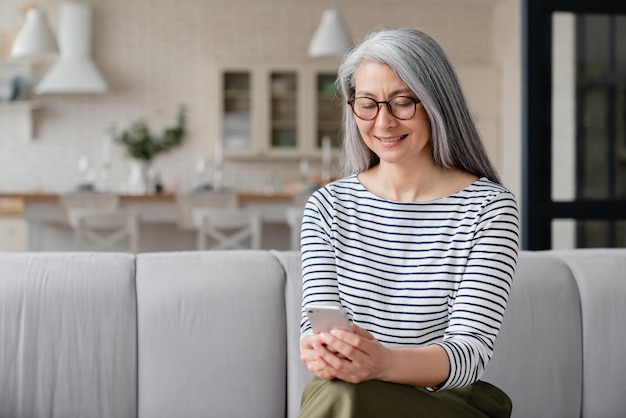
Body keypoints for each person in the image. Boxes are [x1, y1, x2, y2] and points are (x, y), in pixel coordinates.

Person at [298, 27, 520, 418]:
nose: (383, 122)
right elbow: (316, 322)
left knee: (342, 399)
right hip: (345, 393)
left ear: (438, 103)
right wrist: (320, 352)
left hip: (445, 403)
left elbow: (468, 353)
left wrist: (381, 363)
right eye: (367, 104)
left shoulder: (489, 208)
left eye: (402, 102)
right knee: (339, 393)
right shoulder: (328, 206)